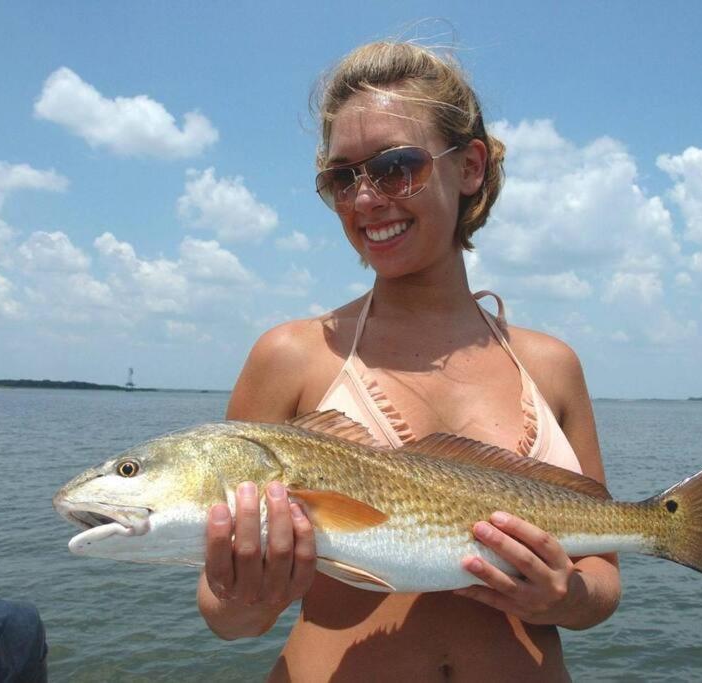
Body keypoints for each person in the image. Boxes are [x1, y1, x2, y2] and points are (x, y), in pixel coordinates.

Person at [197, 40, 621, 681]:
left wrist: (566, 598)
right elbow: (225, 617)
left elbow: (603, 582)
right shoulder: (290, 357)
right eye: (342, 177)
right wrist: (248, 593)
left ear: (470, 166)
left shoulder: (553, 365)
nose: (367, 199)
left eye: (396, 167)